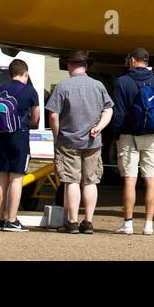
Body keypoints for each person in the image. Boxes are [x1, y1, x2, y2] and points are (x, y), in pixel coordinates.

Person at [44, 50, 113, 234]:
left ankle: (72, 222)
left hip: (68, 141)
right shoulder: (98, 86)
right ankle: (88, 222)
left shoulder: (63, 86)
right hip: (93, 142)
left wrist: (57, 136)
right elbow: (108, 110)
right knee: (91, 181)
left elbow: (53, 115)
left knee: (71, 181)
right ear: (86, 66)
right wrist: (99, 127)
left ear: (69, 65)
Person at [111, 47, 154, 235]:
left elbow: (118, 113)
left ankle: (128, 224)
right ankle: (148, 224)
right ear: (146, 61)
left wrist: (117, 134)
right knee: (151, 179)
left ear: (132, 61)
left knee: (130, 179)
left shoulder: (122, 82)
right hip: (151, 137)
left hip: (128, 136)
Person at [0, 59, 40, 232]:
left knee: (1, 177)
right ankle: (12, 219)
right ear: (25, 73)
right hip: (19, 135)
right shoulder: (29, 90)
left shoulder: (1, 89)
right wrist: (30, 123)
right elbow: (36, 117)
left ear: (10, 74)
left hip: (0, 136)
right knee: (16, 178)